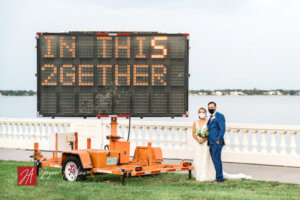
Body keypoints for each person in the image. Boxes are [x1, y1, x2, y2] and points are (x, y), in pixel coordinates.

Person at [192, 103, 252, 182]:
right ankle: (217, 176)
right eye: (209, 107)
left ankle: (220, 179)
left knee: (217, 161)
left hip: (216, 143)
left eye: (212, 107)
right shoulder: (210, 118)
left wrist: (218, 140)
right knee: (214, 161)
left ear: (215, 107)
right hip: (210, 143)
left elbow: (222, 129)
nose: (210, 108)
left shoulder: (220, 116)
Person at [192, 108, 215, 181]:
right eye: (200, 112)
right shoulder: (195, 122)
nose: (201, 113)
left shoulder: (208, 122)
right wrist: (198, 139)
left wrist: (204, 139)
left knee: (205, 158)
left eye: (203, 112)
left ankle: (205, 175)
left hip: (205, 143)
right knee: (198, 158)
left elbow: (211, 133)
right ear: (198, 113)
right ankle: (198, 175)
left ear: (205, 113)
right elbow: (193, 133)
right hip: (197, 143)